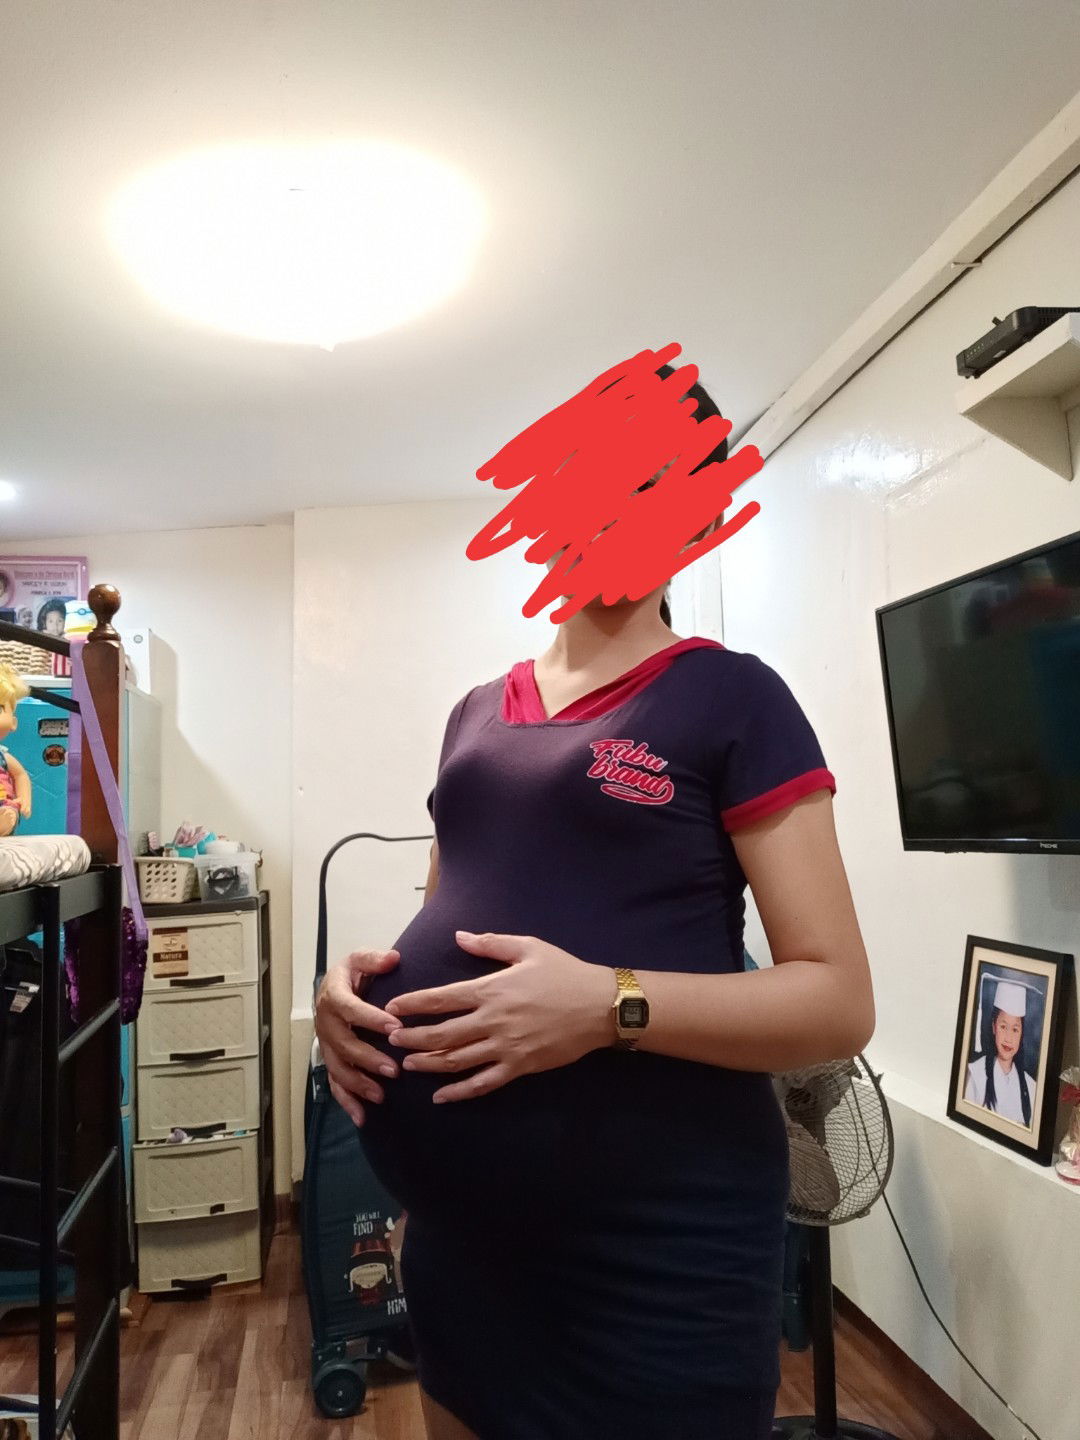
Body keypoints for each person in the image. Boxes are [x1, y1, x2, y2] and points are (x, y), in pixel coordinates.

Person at [314, 365, 875, 1440]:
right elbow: (451, 917)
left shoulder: (734, 698)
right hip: (461, 1248)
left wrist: (606, 1005)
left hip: (654, 1251)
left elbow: (838, 1001)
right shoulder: (476, 712)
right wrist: (353, 994)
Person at [964, 978, 1039, 1127]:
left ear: (1021, 1034)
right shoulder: (975, 1074)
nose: (1008, 1038)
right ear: (994, 1027)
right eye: (1003, 1027)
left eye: (1015, 1029)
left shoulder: (1031, 1087)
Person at [0, 664, 32, 837]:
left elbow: (20, 775)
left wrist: (24, 798)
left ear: (13, 723)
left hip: (3, 804)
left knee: (9, 812)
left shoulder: (3, 756)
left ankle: (4, 823)